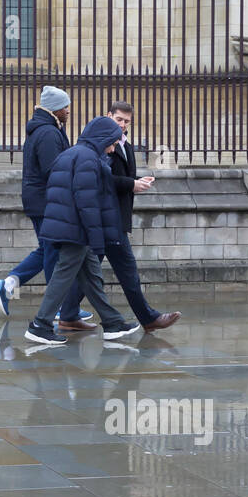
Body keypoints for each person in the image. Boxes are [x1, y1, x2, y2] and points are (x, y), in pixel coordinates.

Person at [26, 116, 140, 345]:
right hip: (75, 229)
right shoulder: (88, 159)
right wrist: (96, 239)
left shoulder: (75, 153)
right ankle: (40, 324)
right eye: (113, 141)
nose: (115, 146)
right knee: (63, 274)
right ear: (102, 138)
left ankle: (112, 322)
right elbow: (87, 203)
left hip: (67, 224)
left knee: (91, 276)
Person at [0, 86, 92, 328]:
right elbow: (54, 170)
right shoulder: (48, 133)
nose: (69, 110)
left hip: (42, 201)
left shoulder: (49, 129)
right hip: (47, 202)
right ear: (56, 108)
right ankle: (57, 307)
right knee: (53, 253)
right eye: (65, 106)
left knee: (48, 250)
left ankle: (10, 286)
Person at [103, 100, 181, 333]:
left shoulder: (125, 145)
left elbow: (124, 178)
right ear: (109, 115)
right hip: (108, 217)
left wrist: (137, 183)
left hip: (116, 217)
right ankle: (148, 318)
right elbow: (100, 178)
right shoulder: (102, 144)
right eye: (119, 119)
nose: (123, 125)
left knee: (85, 273)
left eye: (127, 121)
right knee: (127, 271)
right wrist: (132, 184)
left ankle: (65, 315)